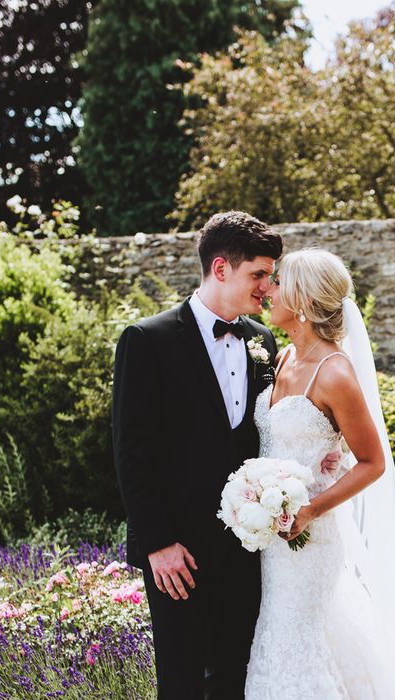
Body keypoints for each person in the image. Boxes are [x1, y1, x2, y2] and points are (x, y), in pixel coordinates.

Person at [245, 248, 395, 699]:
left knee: (297, 640)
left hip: (310, 538)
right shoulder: (284, 358)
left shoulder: (335, 373)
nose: (267, 289)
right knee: (292, 636)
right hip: (271, 538)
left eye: (278, 282)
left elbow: (374, 461)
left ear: (304, 302)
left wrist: (309, 509)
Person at [112, 211, 283, 699]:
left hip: (247, 546)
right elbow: (131, 452)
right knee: (182, 683)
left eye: (270, 276)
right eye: (258, 274)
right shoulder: (148, 339)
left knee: (236, 678)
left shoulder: (261, 341)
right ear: (221, 268)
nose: (267, 287)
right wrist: (157, 543)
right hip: (177, 553)